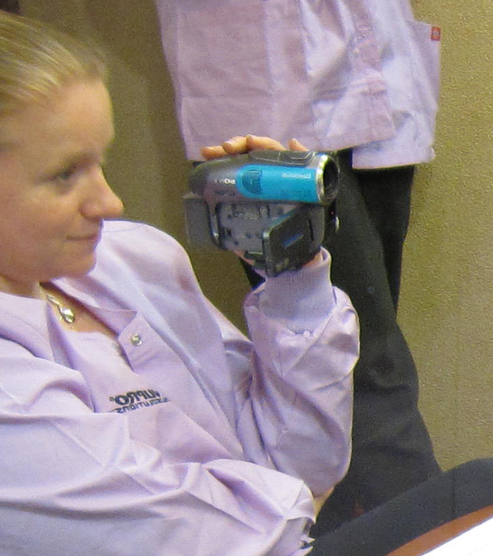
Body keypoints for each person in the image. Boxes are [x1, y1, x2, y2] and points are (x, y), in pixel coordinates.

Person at [0, 8, 493, 556]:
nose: (107, 201)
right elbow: (190, 540)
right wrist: (293, 502)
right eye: (63, 175)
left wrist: (291, 277)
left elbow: (299, 463)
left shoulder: (127, 261)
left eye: (99, 162)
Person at [153, 0, 444, 534]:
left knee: (358, 366)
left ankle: (349, 535)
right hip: (262, 89)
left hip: (375, 71)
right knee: (370, 374)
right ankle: (434, 539)